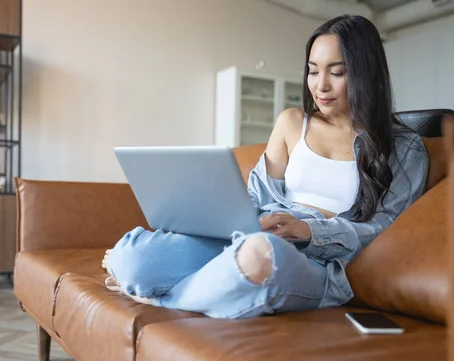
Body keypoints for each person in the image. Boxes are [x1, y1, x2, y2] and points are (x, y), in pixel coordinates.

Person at [101, 15, 429, 319]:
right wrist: (213, 220)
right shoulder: (291, 123)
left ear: (366, 72)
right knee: (134, 259)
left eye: (337, 72)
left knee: (260, 253)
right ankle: (216, 286)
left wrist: (310, 231)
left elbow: (383, 231)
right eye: (313, 70)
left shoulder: (404, 148)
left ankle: (161, 299)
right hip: (253, 235)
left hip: (315, 262)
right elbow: (256, 197)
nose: (321, 86)